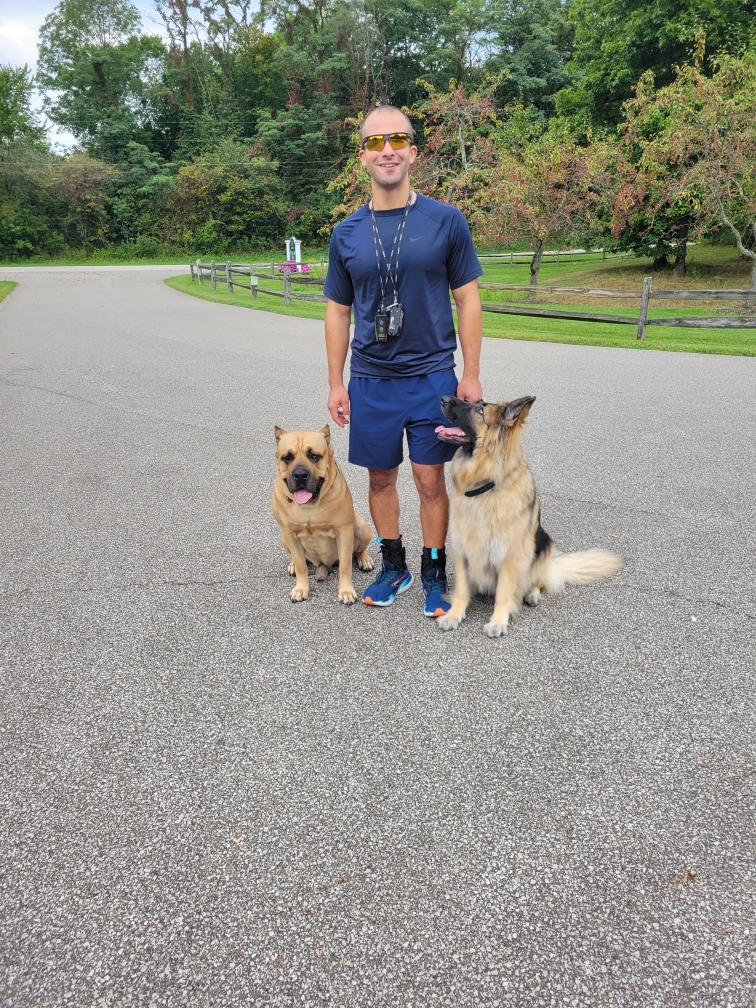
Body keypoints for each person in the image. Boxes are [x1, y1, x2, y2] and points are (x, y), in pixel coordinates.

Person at [323, 104, 483, 617]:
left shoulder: (446, 221)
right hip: (370, 379)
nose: (386, 150)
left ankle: (434, 569)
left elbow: (469, 300)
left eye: (397, 140)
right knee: (380, 478)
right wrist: (335, 381)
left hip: (432, 376)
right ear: (363, 158)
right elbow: (337, 311)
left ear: (414, 153)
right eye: (375, 142)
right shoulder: (346, 233)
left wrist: (472, 374)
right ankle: (395, 565)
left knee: (431, 480)